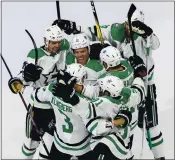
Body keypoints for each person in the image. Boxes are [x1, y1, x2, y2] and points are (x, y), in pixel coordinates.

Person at [53, 6, 165, 160]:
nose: (128, 28)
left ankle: (160, 157)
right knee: (123, 117)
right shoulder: (116, 30)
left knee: (151, 123)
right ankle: (125, 148)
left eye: (134, 27)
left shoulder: (144, 38)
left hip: (143, 81)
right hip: (121, 83)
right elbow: (95, 31)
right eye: (127, 24)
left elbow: (155, 44)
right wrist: (74, 28)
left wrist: (148, 32)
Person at [30, 63, 122, 160]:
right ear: (81, 80)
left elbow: (33, 96)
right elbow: (99, 116)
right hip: (83, 147)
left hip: (59, 144)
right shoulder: (87, 101)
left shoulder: (52, 89)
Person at [8, 25, 70, 159]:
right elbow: (21, 78)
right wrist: (24, 77)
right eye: (53, 42)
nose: (57, 45)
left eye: (58, 42)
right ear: (46, 41)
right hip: (38, 108)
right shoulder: (36, 55)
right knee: (31, 143)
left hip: (56, 107)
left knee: (52, 143)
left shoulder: (64, 48)